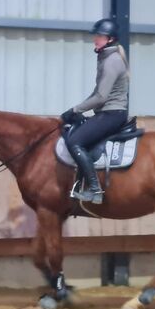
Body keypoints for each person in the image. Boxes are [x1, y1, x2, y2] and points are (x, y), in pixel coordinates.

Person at [60, 18, 130, 204]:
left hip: (112, 114)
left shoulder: (111, 62)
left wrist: (75, 109)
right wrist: (79, 110)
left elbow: (101, 97)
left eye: (99, 36)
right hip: (106, 112)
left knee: (75, 141)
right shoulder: (106, 58)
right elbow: (96, 93)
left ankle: (95, 189)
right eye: (96, 36)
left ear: (110, 39)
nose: (95, 39)